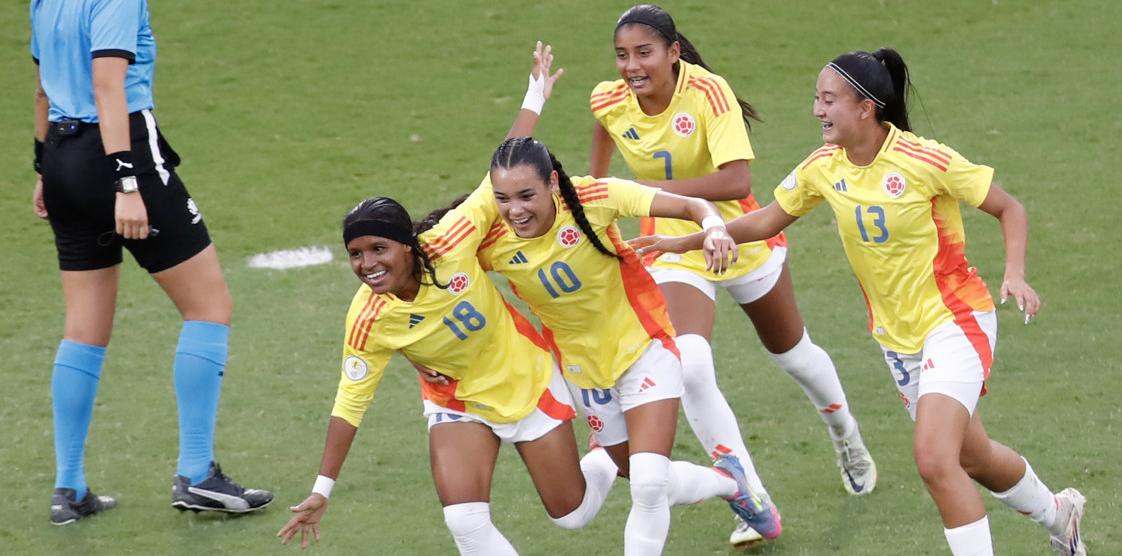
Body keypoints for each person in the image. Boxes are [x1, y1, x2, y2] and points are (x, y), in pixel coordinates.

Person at [277, 44, 766, 556]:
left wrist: (535, 95)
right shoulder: (391, 302)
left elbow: (508, 168)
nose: (368, 265)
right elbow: (349, 400)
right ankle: (661, 466)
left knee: (617, 497)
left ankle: (716, 480)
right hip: (500, 389)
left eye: (378, 249)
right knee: (487, 521)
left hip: (579, 365)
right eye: (356, 254)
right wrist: (321, 489)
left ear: (409, 245)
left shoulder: (476, 233)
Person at [632, 48, 1088, 556]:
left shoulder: (923, 159)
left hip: (955, 318)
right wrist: (689, 239)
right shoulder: (823, 167)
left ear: (866, 107)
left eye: (828, 100)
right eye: (816, 98)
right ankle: (1060, 514)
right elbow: (764, 221)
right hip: (898, 339)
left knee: (936, 460)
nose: (816, 110)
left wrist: (1016, 275)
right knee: (973, 456)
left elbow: (1008, 207)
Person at [588, 4, 876, 545]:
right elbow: (602, 141)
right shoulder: (608, 98)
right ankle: (749, 496)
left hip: (740, 232)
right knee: (690, 364)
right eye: (623, 55)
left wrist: (656, 196)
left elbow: (735, 178)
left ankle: (847, 436)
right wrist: (596, 198)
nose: (632, 65)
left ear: (673, 53)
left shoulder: (708, 92)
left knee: (794, 354)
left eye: (644, 53)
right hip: (669, 244)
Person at [459, 135, 781, 551]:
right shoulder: (491, 240)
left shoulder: (594, 197)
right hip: (583, 373)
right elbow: (442, 262)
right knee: (643, 476)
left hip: (643, 349)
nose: (515, 211)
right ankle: (729, 482)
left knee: (647, 487)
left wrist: (714, 229)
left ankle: (726, 483)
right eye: (502, 199)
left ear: (553, 183)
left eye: (526, 195)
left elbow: (689, 205)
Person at [30, 0, 272, 525]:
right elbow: (107, 84)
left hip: (62, 157)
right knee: (209, 304)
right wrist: (127, 183)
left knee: (84, 328)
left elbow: (46, 87)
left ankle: (68, 488)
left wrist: (43, 167)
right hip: (121, 156)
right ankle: (197, 474)